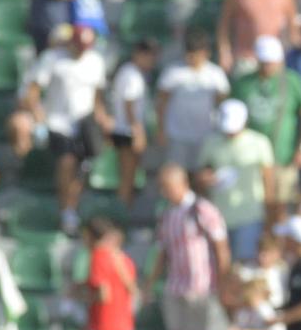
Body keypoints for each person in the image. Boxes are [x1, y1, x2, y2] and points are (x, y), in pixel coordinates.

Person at [10, 20, 106, 236]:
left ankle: (71, 208)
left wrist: (102, 118)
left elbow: (97, 96)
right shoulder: (53, 59)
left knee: (80, 169)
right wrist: (39, 116)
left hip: (84, 124)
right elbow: (32, 91)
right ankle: (66, 210)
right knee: (67, 161)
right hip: (58, 122)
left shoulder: (96, 62)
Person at [151, 163, 230, 330]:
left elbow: (221, 248)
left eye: (168, 187)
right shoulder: (166, 214)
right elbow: (162, 252)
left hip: (201, 287)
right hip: (175, 288)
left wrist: (223, 283)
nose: (165, 192)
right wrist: (150, 283)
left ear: (183, 183)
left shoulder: (202, 209)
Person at [201, 98, 277, 262]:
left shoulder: (260, 142)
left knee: (244, 265)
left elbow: (269, 182)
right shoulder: (211, 143)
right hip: (218, 217)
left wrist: (270, 217)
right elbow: (201, 175)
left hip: (250, 216)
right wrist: (206, 179)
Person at [157, 26, 231, 172]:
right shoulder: (172, 73)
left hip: (206, 135)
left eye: (195, 55)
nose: (191, 59)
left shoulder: (216, 75)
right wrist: (161, 130)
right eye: (189, 55)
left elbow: (222, 104)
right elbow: (161, 103)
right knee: (176, 174)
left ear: (205, 53)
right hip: (177, 135)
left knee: (201, 176)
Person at [104, 39, 154, 207]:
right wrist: (138, 132)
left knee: (130, 178)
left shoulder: (129, 72)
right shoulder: (132, 74)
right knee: (127, 178)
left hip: (125, 130)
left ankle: (124, 210)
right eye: (149, 56)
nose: (152, 61)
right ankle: (121, 213)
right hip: (127, 131)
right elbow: (129, 105)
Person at [80, 216, 137, 330]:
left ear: (89, 235)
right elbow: (131, 289)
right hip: (125, 327)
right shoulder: (123, 258)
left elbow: (104, 295)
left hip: (104, 327)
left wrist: (80, 297)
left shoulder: (98, 257)